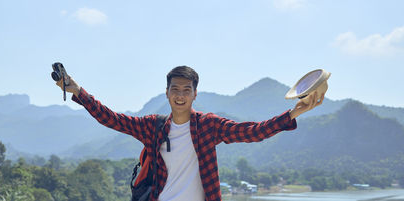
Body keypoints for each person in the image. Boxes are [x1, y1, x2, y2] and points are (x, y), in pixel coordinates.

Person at [55, 65, 324, 201]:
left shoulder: (208, 126)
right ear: (167, 92)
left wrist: (292, 114)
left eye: (186, 90)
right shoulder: (153, 126)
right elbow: (111, 119)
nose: (180, 95)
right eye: (175, 89)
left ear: (195, 94)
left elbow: (253, 132)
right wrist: (78, 91)